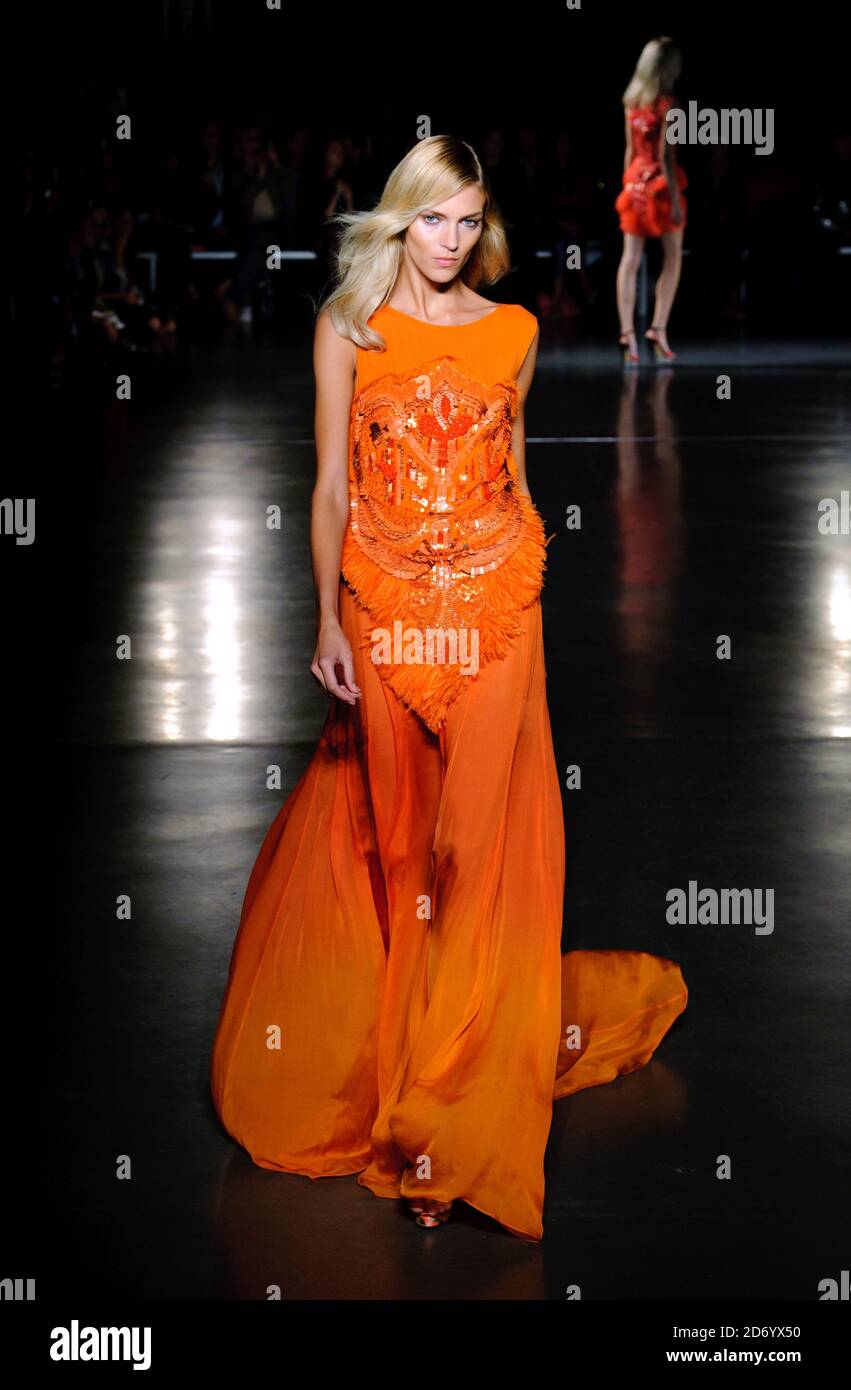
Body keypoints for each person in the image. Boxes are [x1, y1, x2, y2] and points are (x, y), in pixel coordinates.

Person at [209, 133, 688, 1239]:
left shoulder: (512, 332)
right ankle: (407, 1068)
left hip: (495, 620)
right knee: (403, 852)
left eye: (468, 222)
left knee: (477, 859)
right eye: (432, 218)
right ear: (397, 218)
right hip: (379, 615)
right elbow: (329, 485)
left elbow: (513, 482)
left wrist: (515, 603)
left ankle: (450, 1123)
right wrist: (325, 613)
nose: (450, 240)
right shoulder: (347, 326)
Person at [615, 37, 687, 364]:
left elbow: (630, 151)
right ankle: (658, 327)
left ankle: (627, 334)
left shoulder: (632, 102)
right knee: (672, 259)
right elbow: (666, 157)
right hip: (659, 186)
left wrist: (627, 185)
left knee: (630, 260)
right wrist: (674, 199)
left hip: (634, 184)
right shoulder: (667, 106)